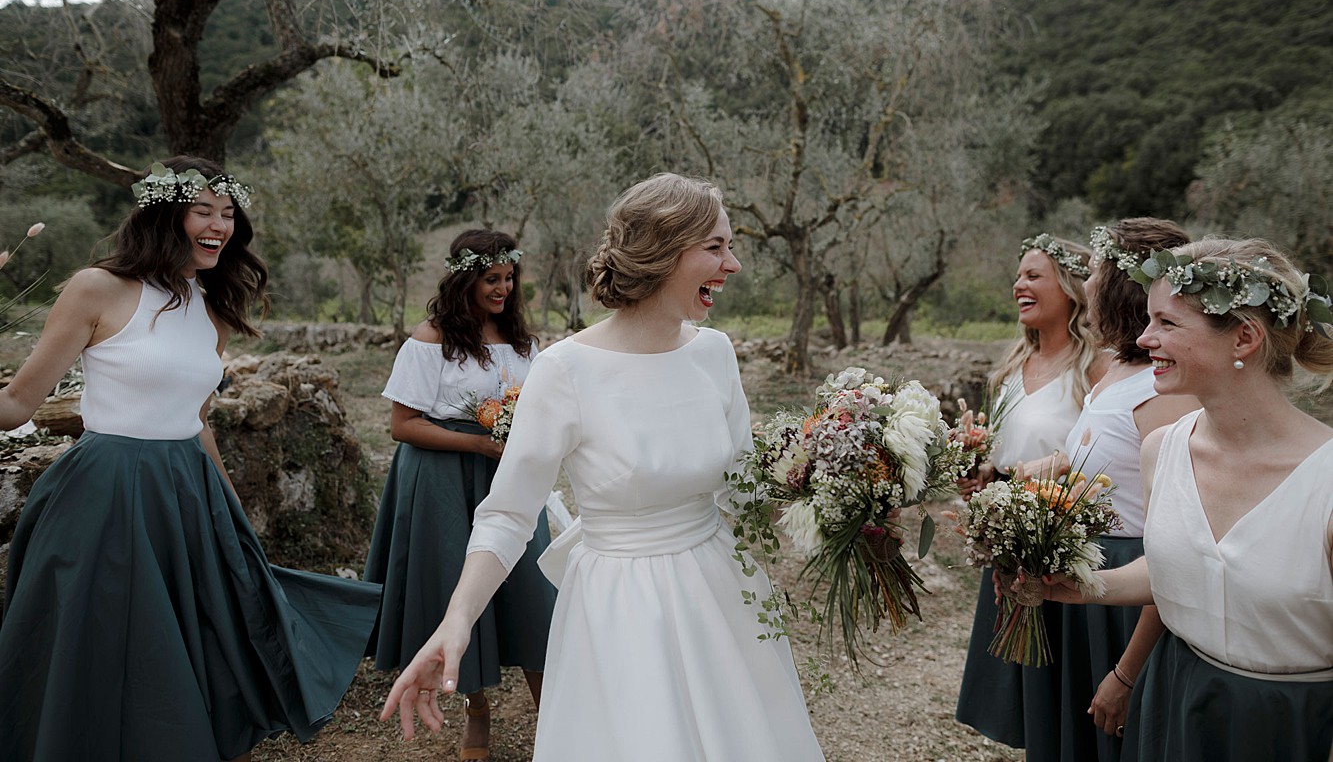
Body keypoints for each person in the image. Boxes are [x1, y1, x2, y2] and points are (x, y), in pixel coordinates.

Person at [379, 173, 825, 760]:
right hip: (622, 604)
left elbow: (744, 493)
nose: (734, 264)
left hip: (721, 592)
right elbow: (509, 514)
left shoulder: (716, 353)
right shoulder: (565, 370)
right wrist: (457, 619)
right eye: (716, 247)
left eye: (730, 246)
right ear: (663, 255)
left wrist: (841, 494)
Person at [0, 157, 381, 761]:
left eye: (228, 214)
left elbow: (198, 422)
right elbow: (18, 404)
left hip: (188, 493)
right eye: (203, 210)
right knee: (100, 653)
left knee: (199, 649)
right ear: (163, 213)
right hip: (106, 497)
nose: (219, 225)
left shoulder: (209, 309)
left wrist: (231, 516)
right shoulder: (95, 288)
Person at [1041, 237, 1333, 761]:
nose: (1145, 337)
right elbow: (1172, 569)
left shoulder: (1326, 481)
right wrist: (1085, 586)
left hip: (1289, 727)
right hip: (1176, 700)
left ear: (1243, 338)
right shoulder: (1162, 451)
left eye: (1167, 324)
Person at [363, 229, 555, 761]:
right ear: (464, 278)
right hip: (443, 480)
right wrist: (476, 444)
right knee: (459, 594)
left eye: (509, 277)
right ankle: (477, 712)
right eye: (491, 279)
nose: (503, 288)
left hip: (508, 479)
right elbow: (402, 425)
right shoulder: (430, 340)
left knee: (533, 595)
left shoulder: (522, 342)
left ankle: (558, 720)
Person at [1024, 219, 1197, 762]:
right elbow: (1104, 462)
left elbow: (1174, 541)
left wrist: (1126, 672)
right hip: (1091, 576)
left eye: (1097, 272)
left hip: (1132, 599)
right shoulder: (1118, 369)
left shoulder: (1162, 392)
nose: (1088, 285)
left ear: (1122, 284)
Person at [954, 233, 1106, 754]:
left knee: (1066, 686)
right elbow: (1005, 456)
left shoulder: (1095, 370)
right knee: (1024, 691)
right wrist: (981, 475)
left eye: (1033, 275)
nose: (1019, 285)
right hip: (1013, 544)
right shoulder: (1011, 371)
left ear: (1070, 289)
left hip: (1065, 548)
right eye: (1018, 276)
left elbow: (1099, 455)